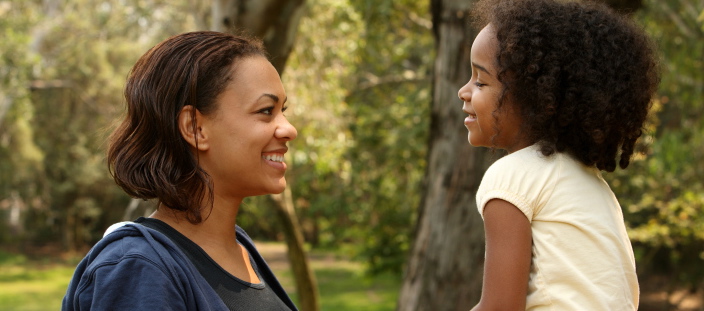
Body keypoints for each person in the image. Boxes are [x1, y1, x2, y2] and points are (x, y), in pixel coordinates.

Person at [62, 31, 299, 311]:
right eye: (266, 111)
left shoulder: (241, 248)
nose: (289, 129)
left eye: (282, 110)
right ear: (194, 128)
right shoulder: (140, 268)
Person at [457, 0, 659, 309]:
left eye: (481, 80)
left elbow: (500, 306)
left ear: (534, 98)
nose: (464, 91)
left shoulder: (511, 176)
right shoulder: (592, 186)